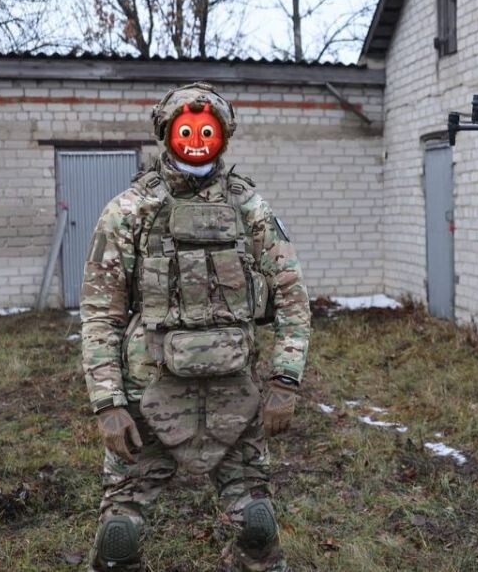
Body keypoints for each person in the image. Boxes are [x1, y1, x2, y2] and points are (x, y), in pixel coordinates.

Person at [80, 82, 310, 572]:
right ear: (167, 133)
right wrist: (109, 404)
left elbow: (291, 294)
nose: (198, 141)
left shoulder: (243, 208)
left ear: (224, 134)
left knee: (254, 524)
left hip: (222, 390)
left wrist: (285, 382)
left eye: (208, 130)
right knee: (123, 535)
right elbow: (101, 312)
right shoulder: (134, 210)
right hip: (161, 392)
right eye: (187, 130)